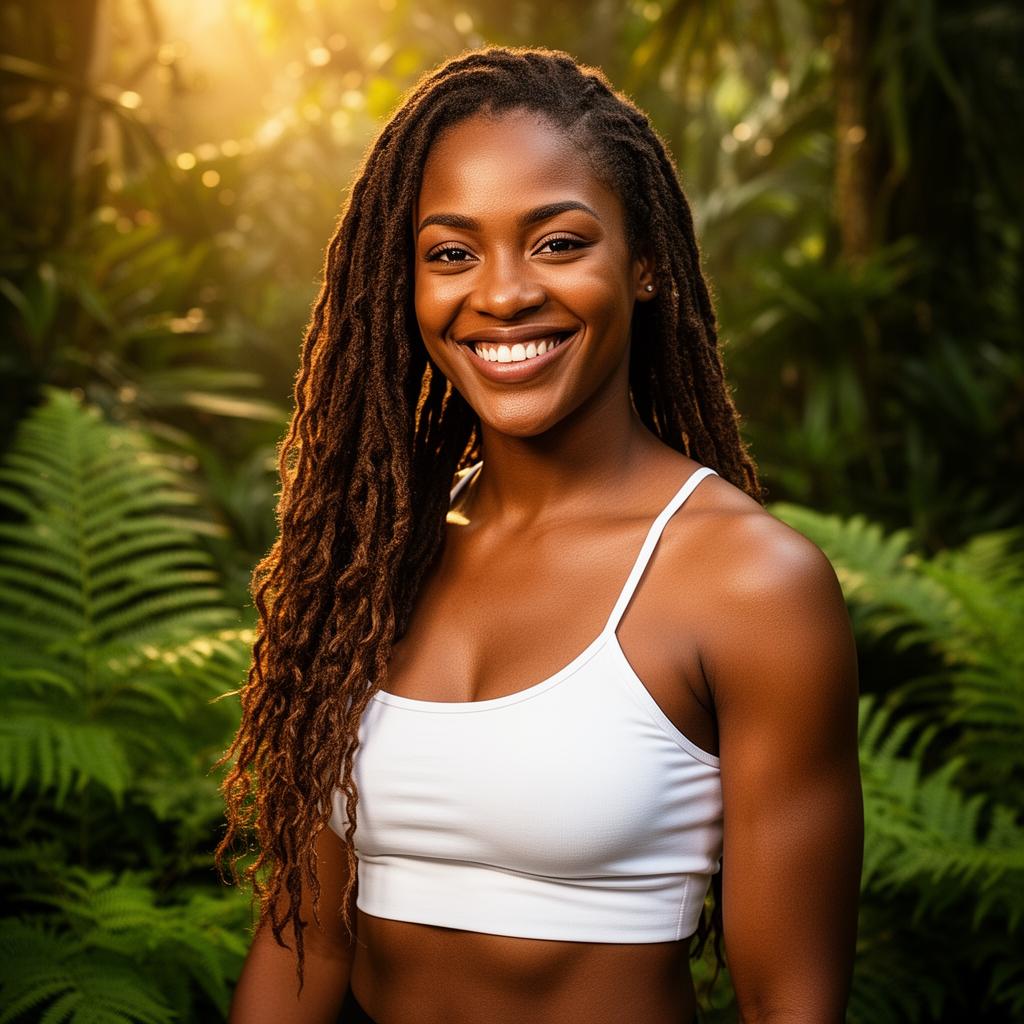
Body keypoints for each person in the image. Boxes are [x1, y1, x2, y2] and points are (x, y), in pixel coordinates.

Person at [217, 45, 864, 1024]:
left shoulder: (748, 584)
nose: (504, 292)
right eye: (451, 252)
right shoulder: (376, 557)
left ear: (645, 262)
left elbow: (789, 1002)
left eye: (558, 242)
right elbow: (305, 931)